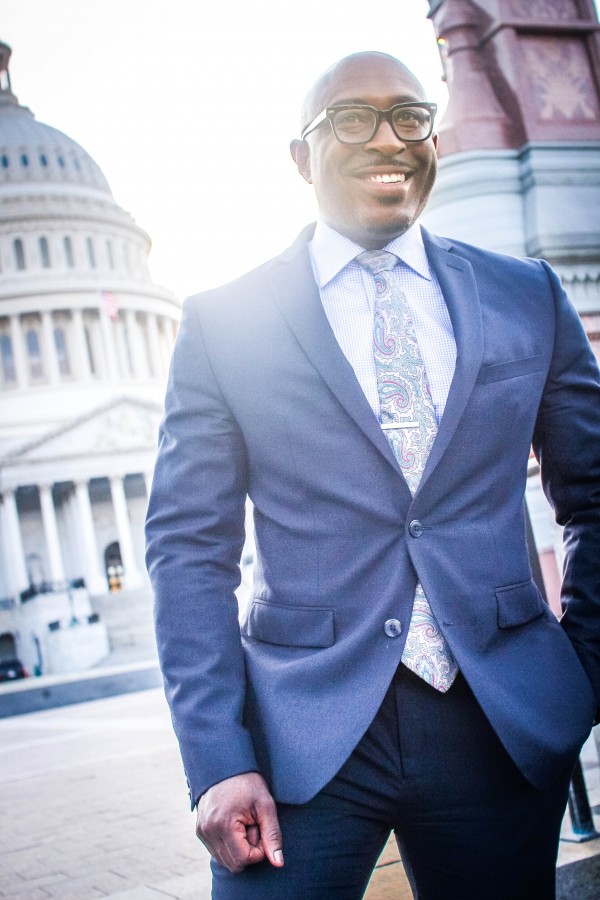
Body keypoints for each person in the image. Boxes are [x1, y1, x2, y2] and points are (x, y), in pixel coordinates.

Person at [145, 51, 600, 899]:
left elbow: (595, 496)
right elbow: (188, 550)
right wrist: (216, 760)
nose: (388, 139)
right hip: (300, 737)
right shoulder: (224, 322)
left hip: (500, 722)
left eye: (410, 117)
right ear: (301, 157)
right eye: (352, 120)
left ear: (433, 140)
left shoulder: (526, 295)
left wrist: (582, 670)